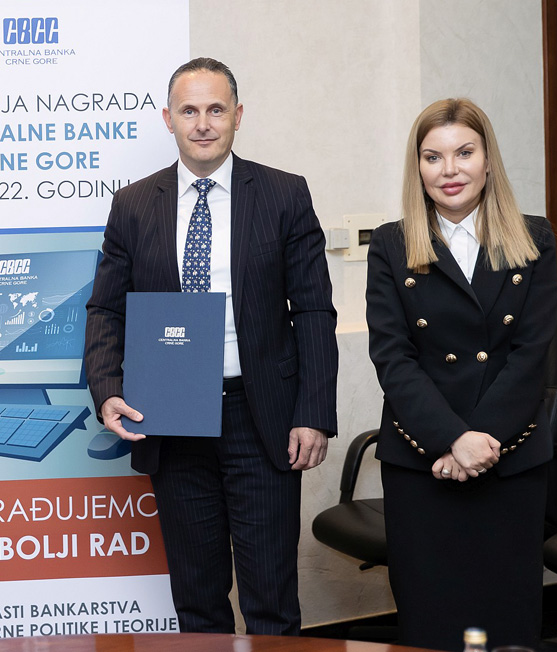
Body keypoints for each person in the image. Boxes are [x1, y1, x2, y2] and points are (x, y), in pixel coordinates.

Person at [84, 57, 338, 634]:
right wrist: (108, 389)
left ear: (238, 116)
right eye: (189, 111)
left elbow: (314, 310)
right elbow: (106, 309)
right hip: (170, 416)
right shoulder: (134, 204)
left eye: (216, 109)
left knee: (271, 601)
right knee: (197, 601)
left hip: (262, 417)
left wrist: (313, 412)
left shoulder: (283, 194)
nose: (203, 123)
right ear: (168, 119)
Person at [366, 98, 556, 651]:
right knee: (433, 622)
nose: (449, 170)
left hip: (509, 458)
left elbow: (530, 355)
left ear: (488, 160)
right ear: (418, 167)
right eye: (433, 157)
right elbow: (393, 358)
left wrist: (479, 441)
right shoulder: (392, 243)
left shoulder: (535, 238)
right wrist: (452, 439)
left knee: (507, 624)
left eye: (464, 153)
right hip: (424, 463)